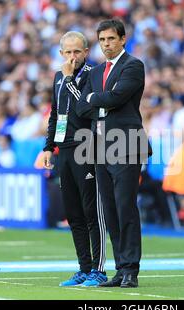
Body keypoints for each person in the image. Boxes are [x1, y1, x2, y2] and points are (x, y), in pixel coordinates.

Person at [77, 19, 151, 288]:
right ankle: (120, 268)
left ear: (122, 39)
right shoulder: (96, 72)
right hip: (99, 146)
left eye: (110, 39)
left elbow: (117, 98)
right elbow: (80, 108)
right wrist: (99, 102)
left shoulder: (133, 65)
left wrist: (94, 100)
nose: (106, 44)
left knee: (125, 207)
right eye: (102, 40)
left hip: (126, 144)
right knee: (110, 210)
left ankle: (131, 269)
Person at [42, 31, 107, 287]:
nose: (72, 56)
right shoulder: (58, 77)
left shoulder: (93, 75)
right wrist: (49, 147)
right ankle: (84, 267)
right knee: (74, 213)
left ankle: (99, 270)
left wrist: (70, 80)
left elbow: (88, 109)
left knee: (91, 211)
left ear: (86, 52)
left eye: (77, 51)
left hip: (86, 147)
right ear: (61, 54)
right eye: (68, 52)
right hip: (64, 151)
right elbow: (55, 114)